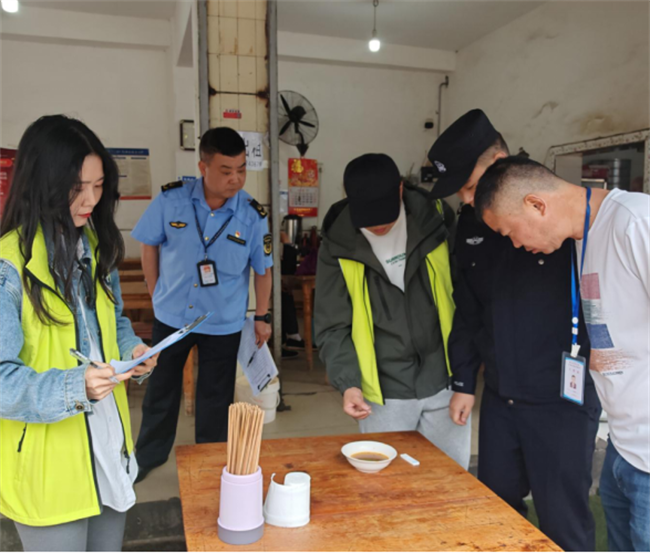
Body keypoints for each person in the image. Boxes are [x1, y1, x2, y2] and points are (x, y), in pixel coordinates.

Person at [427, 110, 600, 551]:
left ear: (499, 161)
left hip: (561, 401)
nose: (468, 201)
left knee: (562, 523)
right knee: (496, 514)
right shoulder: (470, 226)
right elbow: (468, 309)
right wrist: (464, 381)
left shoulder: (558, 214)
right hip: (501, 396)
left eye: (470, 187)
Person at [474, 156, 650, 552]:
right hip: (624, 449)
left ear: (536, 205)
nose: (515, 244)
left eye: (510, 231)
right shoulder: (585, 238)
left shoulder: (636, 222)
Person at [0, 115, 158, 551]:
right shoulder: (8, 267)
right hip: (49, 466)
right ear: (42, 184)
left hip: (107, 446)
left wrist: (133, 349)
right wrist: (76, 387)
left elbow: (112, 321)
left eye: (99, 185)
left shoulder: (94, 245)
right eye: (77, 188)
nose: (90, 199)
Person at [131, 127, 273, 482]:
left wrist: (262, 316)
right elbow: (149, 244)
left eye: (241, 170)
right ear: (203, 167)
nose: (236, 179)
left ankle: (209, 461)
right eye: (226, 171)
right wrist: (156, 292)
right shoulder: (171, 200)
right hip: (172, 316)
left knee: (215, 398)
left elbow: (263, 270)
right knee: (161, 391)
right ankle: (147, 457)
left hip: (223, 321)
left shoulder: (252, 216)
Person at [314, 153, 470, 468]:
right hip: (383, 393)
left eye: (384, 218)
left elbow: (467, 299)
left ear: (400, 189)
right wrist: (349, 383)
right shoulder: (338, 243)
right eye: (368, 221)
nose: (378, 227)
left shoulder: (436, 220)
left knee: (451, 481)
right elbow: (332, 324)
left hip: (445, 380)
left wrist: (467, 378)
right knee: (387, 487)